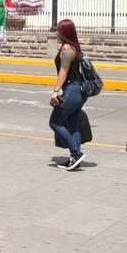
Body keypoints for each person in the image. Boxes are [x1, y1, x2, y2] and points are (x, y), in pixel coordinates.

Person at [49, 18, 87, 171]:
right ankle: (74, 159)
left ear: (64, 32)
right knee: (72, 125)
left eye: (59, 30)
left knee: (55, 122)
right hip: (77, 90)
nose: (56, 32)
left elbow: (64, 72)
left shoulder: (66, 49)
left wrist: (55, 91)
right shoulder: (73, 47)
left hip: (72, 89)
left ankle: (76, 153)